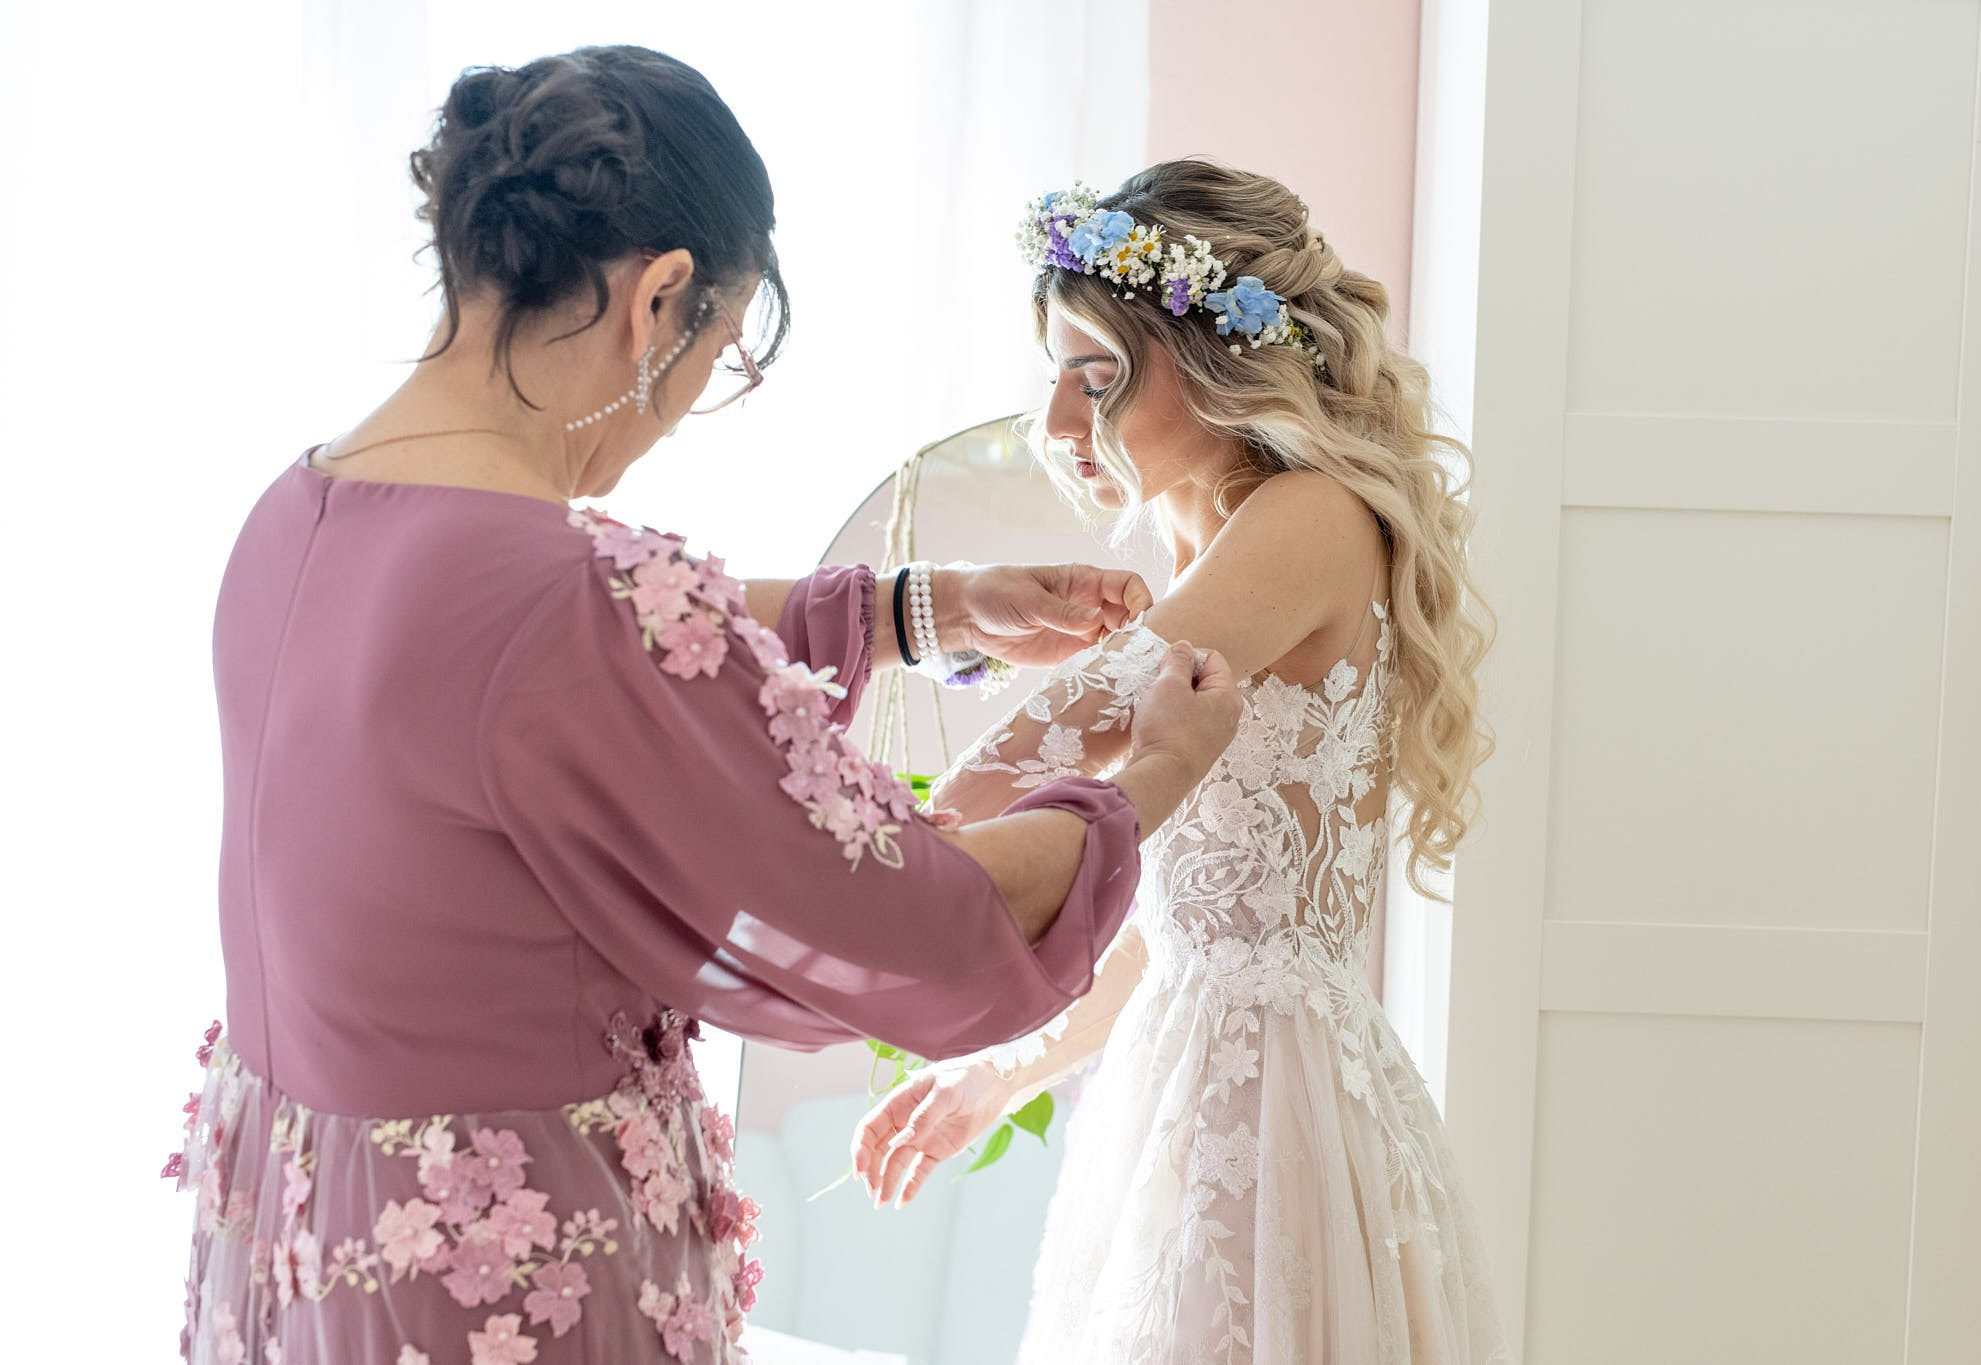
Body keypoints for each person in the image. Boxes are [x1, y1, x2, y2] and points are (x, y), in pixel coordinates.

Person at [166, 50, 1241, 1365]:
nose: (678, 412)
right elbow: (935, 920)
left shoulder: (301, 512)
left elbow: (544, 679)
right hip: (502, 1281)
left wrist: (929, 608)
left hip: (306, 1236)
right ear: (659, 294)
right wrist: (1152, 777)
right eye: (714, 356)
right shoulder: (561, 599)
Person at [851, 162, 1513, 1364]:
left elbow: (1052, 736)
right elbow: (1180, 926)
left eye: (1097, 374)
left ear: (1216, 363)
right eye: (1053, 374)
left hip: (1275, 1122)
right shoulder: (1196, 545)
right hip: (1183, 1084)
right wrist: (1001, 1076)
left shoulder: (1309, 518)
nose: (1059, 423)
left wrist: (886, 843)